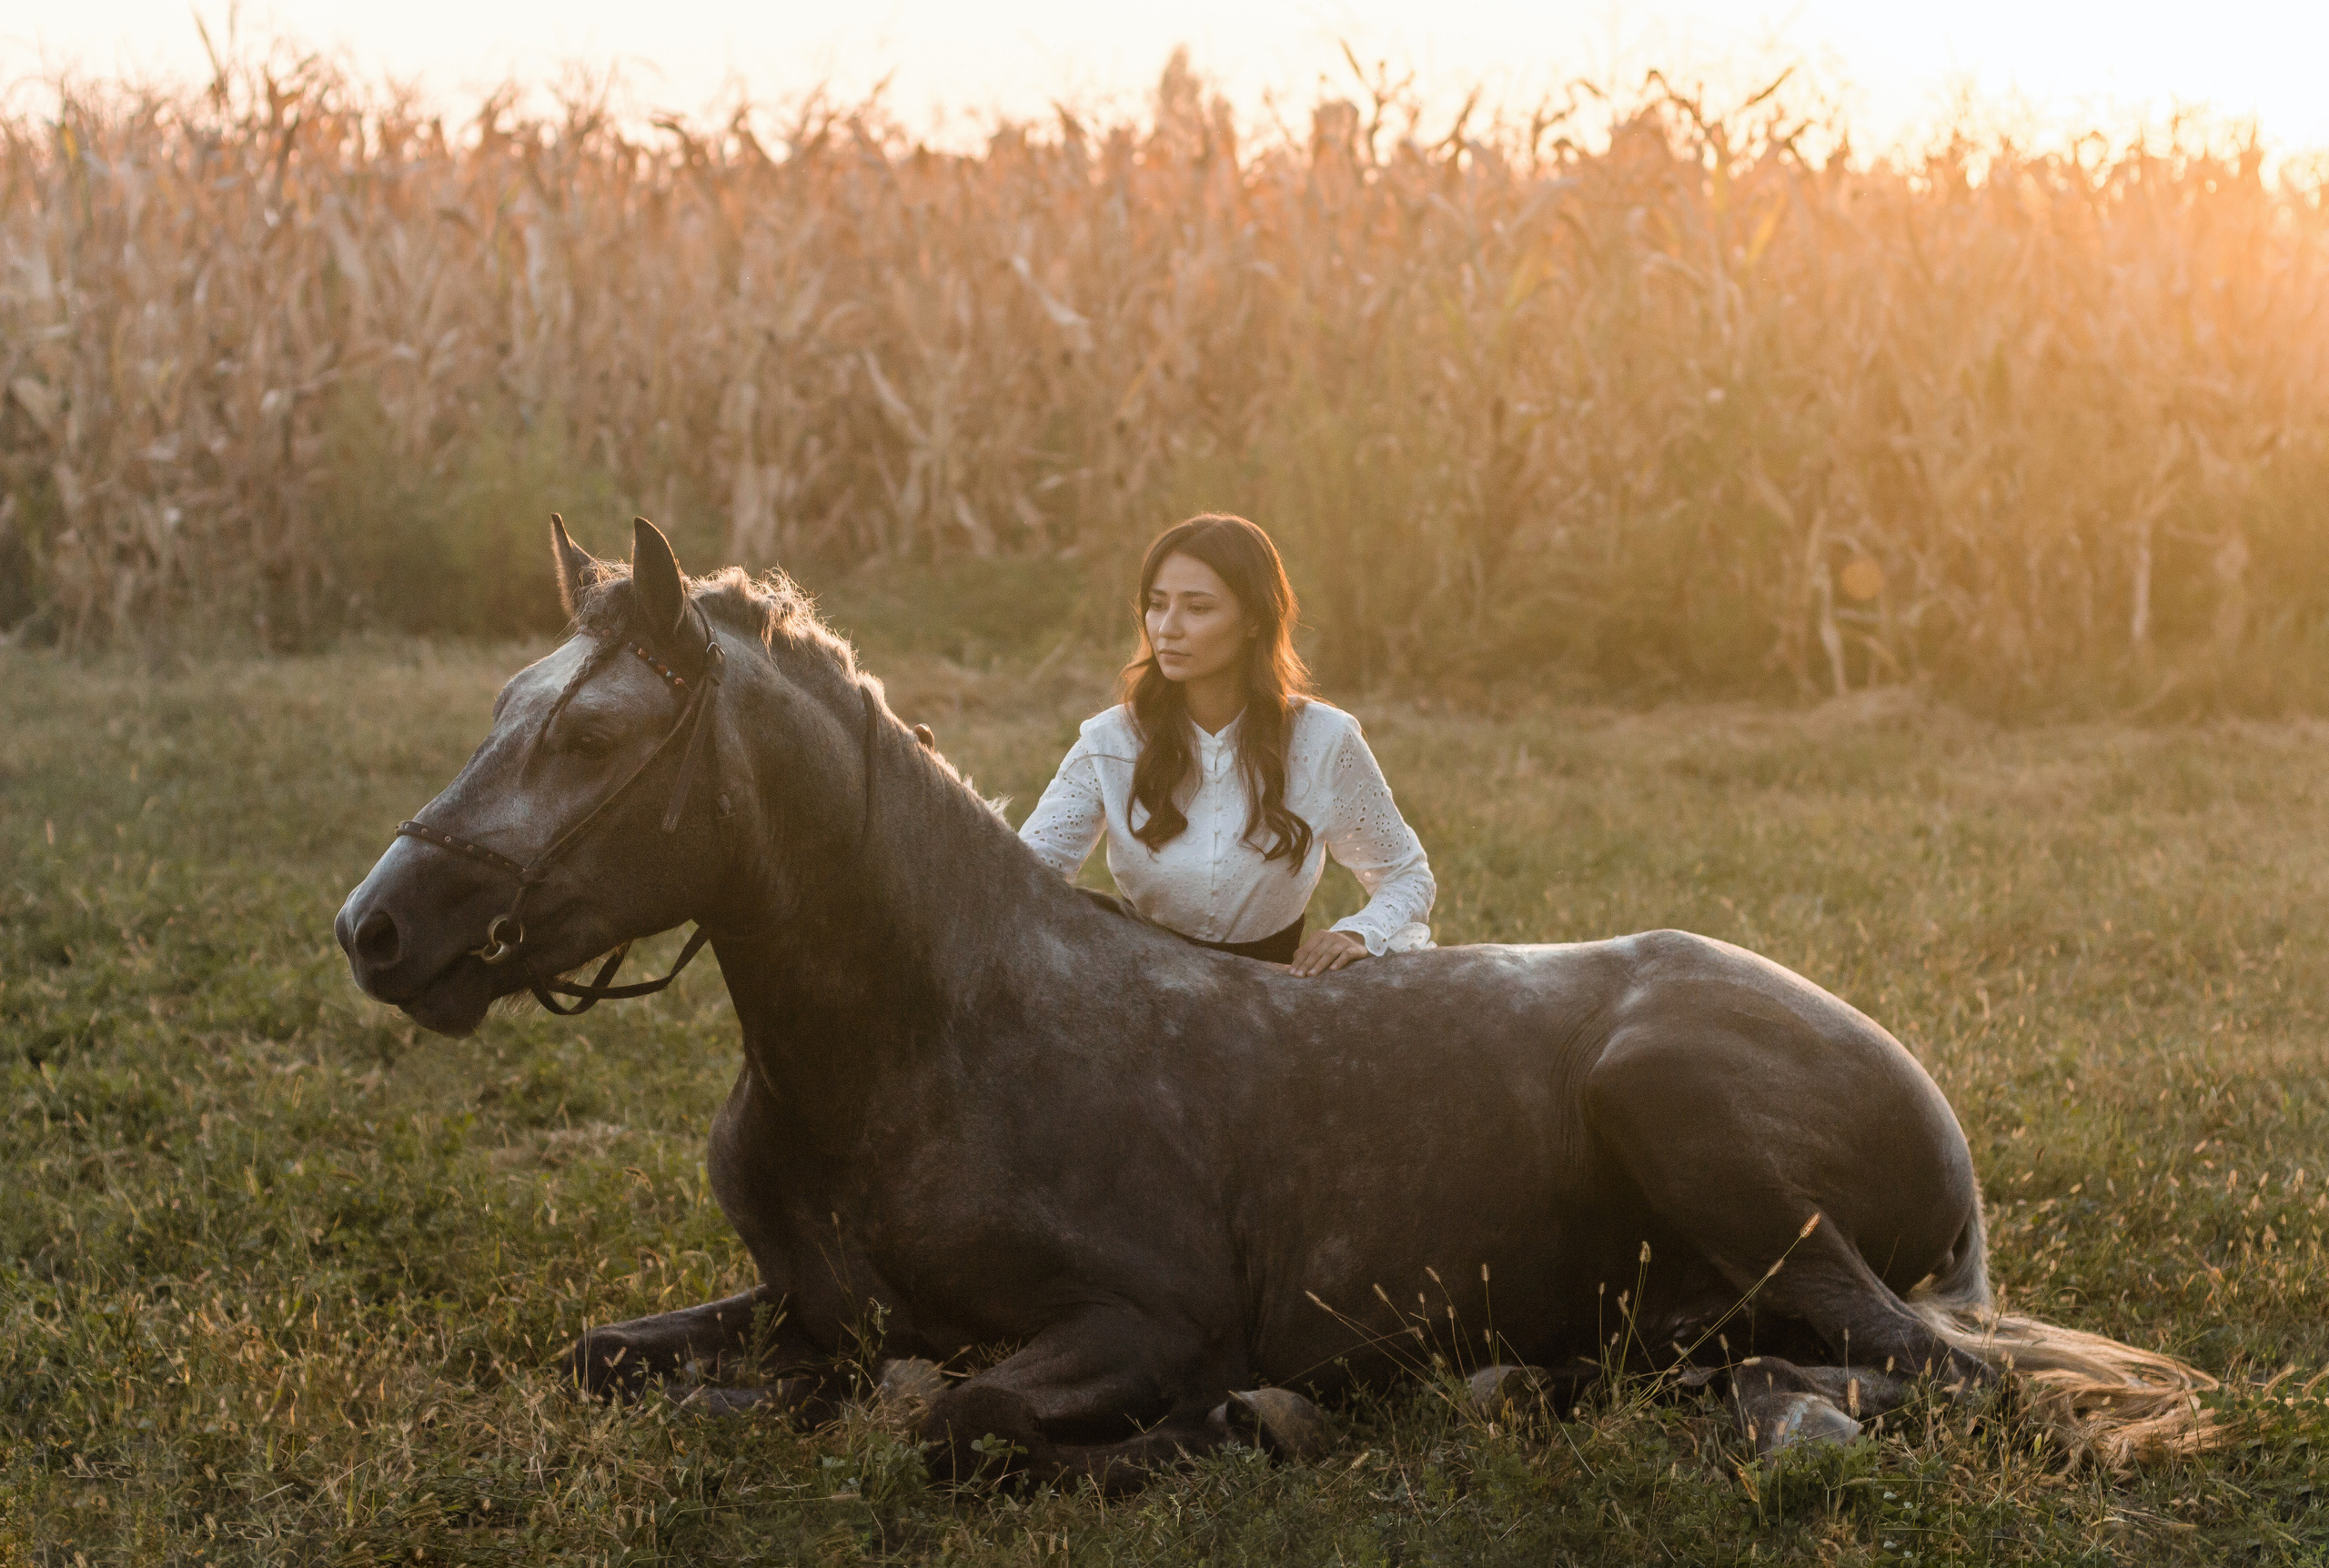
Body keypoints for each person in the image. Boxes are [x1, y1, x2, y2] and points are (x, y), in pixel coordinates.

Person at [1019, 514, 1435, 976]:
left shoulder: (1324, 739)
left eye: (1198, 608)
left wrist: (1360, 932)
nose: (1167, 627)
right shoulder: (1109, 741)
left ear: (1256, 619)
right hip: (1142, 1001)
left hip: (1275, 1004)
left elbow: (1405, 875)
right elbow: (1019, 880)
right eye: (1157, 604)